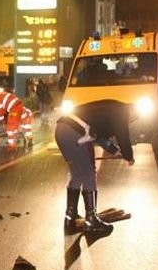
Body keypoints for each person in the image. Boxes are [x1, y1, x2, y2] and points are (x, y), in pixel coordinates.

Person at [55, 99, 135, 238]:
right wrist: (129, 156)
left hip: (62, 129)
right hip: (75, 131)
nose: (131, 121)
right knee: (89, 173)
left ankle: (70, 218)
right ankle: (91, 220)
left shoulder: (105, 110)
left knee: (78, 173)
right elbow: (123, 133)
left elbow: (98, 136)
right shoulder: (121, 111)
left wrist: (115, 151)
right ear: (132, 110)